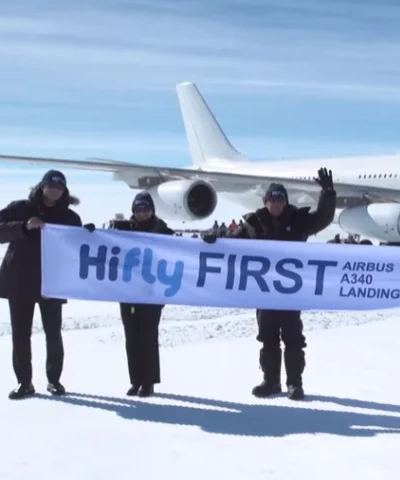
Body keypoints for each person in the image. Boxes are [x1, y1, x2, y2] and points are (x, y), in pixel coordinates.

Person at [204, 170, 336, 400]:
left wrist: (328, 193)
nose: (276, 204)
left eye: (280, 200)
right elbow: (231, 243)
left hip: (290, 293)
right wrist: (215, 239)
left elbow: (322, 219)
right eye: (272, 200)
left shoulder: (298, 221)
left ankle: (294, 384)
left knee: (293, 339)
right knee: (268, 339)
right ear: (265, 202)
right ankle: (271, 382)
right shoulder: (253, 224)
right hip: (264, 293)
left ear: (285, 202)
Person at [0, 169, 84, 399]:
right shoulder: (19, 208)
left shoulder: (70, 218)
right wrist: (23, 226)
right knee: (21, 334)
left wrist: (88, 234)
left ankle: (54, 380)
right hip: (20, 280)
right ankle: (24, 382)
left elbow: (78, 247)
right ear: (42, 187)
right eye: (51, 186)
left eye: (59, 187)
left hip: (52, 283)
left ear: (64, 191)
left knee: (53, 333)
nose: (55, 190)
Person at [103, 192, 175, 397]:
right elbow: (103, 242)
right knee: (132, 337)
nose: (142, 213)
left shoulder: (163, 231)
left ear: (152, 210)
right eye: (138, 210)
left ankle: (149, 381)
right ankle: (135, 380)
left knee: (148, 337)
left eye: (145, 209)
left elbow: (180, 252)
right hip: (128, 292)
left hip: (152, 293)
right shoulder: (123, 230)